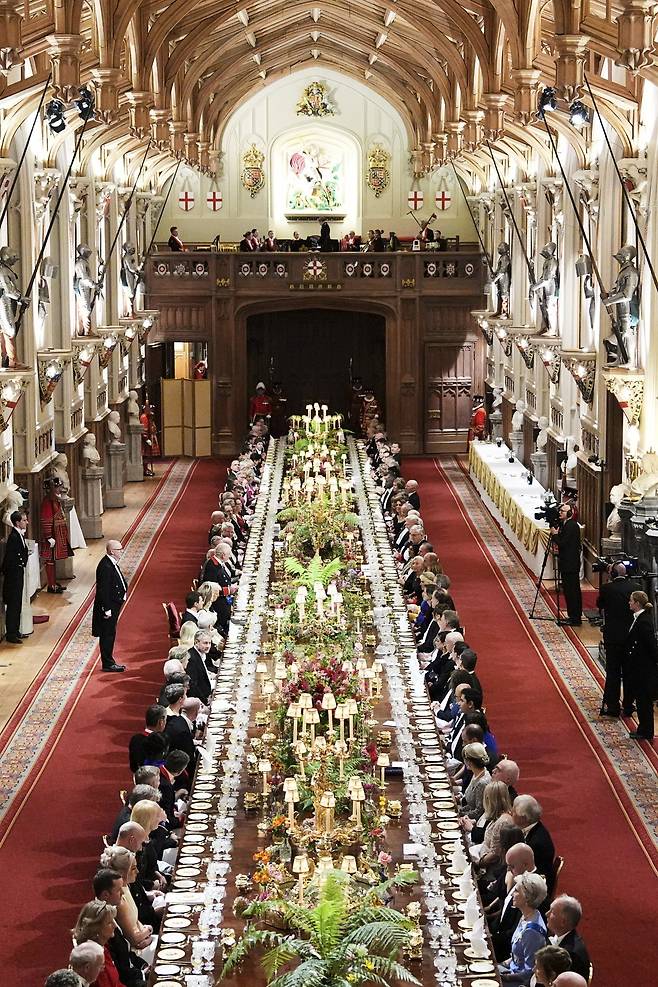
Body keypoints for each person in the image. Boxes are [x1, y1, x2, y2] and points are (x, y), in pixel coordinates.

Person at [597, 561, 637, 717]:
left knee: (613, 672)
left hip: (613, 637)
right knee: (629, 673)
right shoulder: (635, 588)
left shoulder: (607, 588)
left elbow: (600, 604)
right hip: (630, 637)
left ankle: (613, 706)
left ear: (612, 574)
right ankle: (628, 706)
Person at [498, 873, 548, 983]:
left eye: (516, 891)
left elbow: (529, 973)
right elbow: (517, 957)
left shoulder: (532, 931)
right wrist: (501, 965)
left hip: (517, 981)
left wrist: (502, 977)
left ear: (526, 897)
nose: (512, 894)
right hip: (510, 971)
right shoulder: (527, 916)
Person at [624, 590, 658, 740]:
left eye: (631, 600)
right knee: (641, 700)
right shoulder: (639, 618)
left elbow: (651, 646)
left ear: (637, 603)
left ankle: (646, 731)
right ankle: (643, 728)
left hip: (644, 669)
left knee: (644, 701)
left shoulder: (644, 621)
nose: (629, 602)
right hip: (638, 667)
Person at [92, 540, 128, 672]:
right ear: (112, 551)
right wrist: (107, 609)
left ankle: (109, 661)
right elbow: (103, 590)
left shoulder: (110, 563)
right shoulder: (105, 566)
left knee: (110, 633)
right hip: (109, 607)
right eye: (119, 549)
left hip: (114, 604)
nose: (122, 551)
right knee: (107, 634)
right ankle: (108, 663)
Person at [512, 795, 555, 889]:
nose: (511, 813)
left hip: (534, 888)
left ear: (524, 818)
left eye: (514, 812)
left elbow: (526, 871)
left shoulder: (536, 843)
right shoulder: (534, 827)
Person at [550, 503, 582, 626]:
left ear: (569, 513)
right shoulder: (567, 524)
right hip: (568, 563)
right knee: (569, 591)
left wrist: (555, 534)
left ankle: (575, 618)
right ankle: (573, 616)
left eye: (562, 511)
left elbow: (562, 543)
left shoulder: (571, 526)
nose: (560, 513)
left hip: (570, 564)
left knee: (572, 592)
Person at [39, 476, 72, 593]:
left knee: (53, 560)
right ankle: (51, 585)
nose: (59, 490)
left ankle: (53, 583)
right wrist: (49, 537)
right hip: (51, 536)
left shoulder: (55, 500)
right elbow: (46, 520)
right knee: (50, 560)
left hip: (57, 535)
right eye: (57, 488)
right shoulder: (47, 502)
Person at [545, 895, 591, 980]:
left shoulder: (571, 955)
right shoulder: (560, 936)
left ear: (563, 922)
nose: (546, 914)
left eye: (552, 912)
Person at [2, 508, 29, 643]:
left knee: (17, 603)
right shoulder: (13, 537)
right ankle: (11, 634)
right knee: (13, 604)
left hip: (18, 574)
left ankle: (16, 630)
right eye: (24, 520)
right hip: (13, 576)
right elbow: (10, 559)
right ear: (18, 523)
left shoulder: (19, 535)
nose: (27, 522)